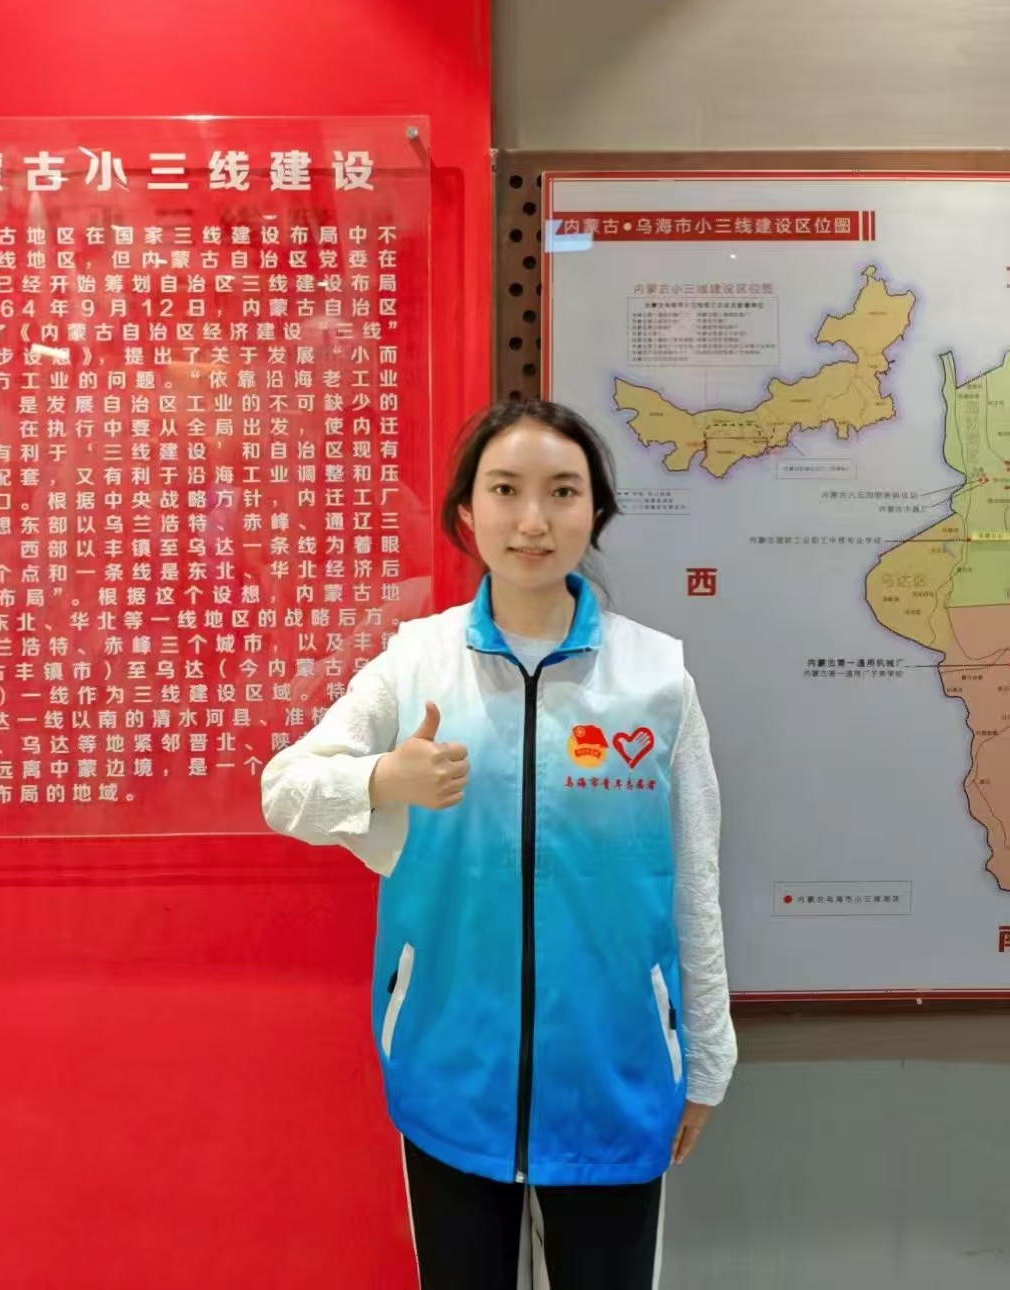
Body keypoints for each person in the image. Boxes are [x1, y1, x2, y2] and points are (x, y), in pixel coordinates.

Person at [261, 399, 736, 1290]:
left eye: (563, 492)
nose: (532, 520)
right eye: (506, 490)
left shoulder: (655, 680)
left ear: (596, 510)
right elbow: (283, 791)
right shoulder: (415, 664)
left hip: (616, 1075)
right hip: (450, 1074)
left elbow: (694, 881)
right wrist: (381, 780)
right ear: (465, 513)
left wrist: (708, 1059)